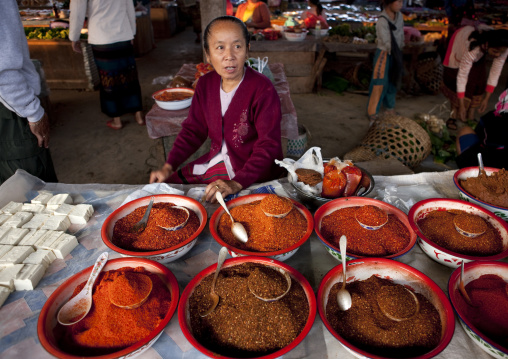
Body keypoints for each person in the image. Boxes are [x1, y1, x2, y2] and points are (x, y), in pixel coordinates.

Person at [150, 16, 284, 202]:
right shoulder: (205, 84)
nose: (229, 55)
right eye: (220, 47)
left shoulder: (263, 89)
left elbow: (269, 145)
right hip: (219, 158)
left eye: (237, 46)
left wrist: (237, 183)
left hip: (252, 170)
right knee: (167, 189)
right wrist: (168, 166)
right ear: (207, 53)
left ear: (247, 50)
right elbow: (193, 131)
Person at [0, 0, 58, 184]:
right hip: (10, 107)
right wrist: (33, 111)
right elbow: (3, 68)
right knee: (33, 188)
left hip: (9, 101)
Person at [69, 0, 145, 130]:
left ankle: (117, 119)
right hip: (123, 34)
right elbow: (129, 7)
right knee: (129, 76)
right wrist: (131, 32)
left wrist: (74, 37)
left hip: (102, 37)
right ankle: (139, 116)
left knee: (109, 80)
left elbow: (77, 12)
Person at [442, 26, 508, 130]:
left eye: (501, 52)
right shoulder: (473, 48)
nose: (498, 55)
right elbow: (462, 76)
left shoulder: (503, 48)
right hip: (460, 43)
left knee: (479, 80)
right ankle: (453, 115)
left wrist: (486, 98)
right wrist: (461, 105)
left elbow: (496, 71)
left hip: (480, 49)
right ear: (487, 45)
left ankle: (471, 115)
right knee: (455, 77)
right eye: (495, 51)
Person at [366, 0, 404, 125]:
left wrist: (400, 50)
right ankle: (372, 112)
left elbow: (401, 35)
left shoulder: (400, 17)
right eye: (398, 1)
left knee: (393, 80)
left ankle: (389, 108)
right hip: (384, 53)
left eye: (401, 1)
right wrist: (394, 51)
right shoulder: (382, 21)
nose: (400, 4)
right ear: (389, 3)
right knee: (379, 82)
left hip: (396, 53)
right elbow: (386, 41)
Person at [455, 89, 508, 169]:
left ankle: (468, 170)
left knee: (465, 130)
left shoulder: (490, 118)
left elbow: (479, 135)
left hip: (486, 169)